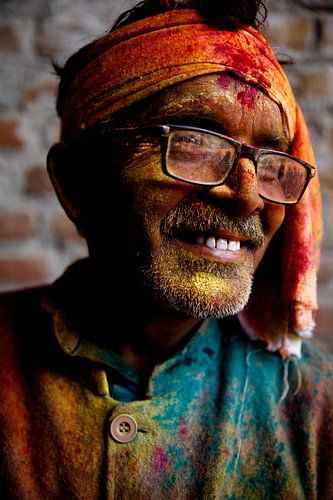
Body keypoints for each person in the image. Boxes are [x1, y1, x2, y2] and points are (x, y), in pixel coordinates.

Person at [0, 0, 332, 497]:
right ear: (78, 184)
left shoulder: (316, 403)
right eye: (195, 142)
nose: (247, 196)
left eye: (270, 160)